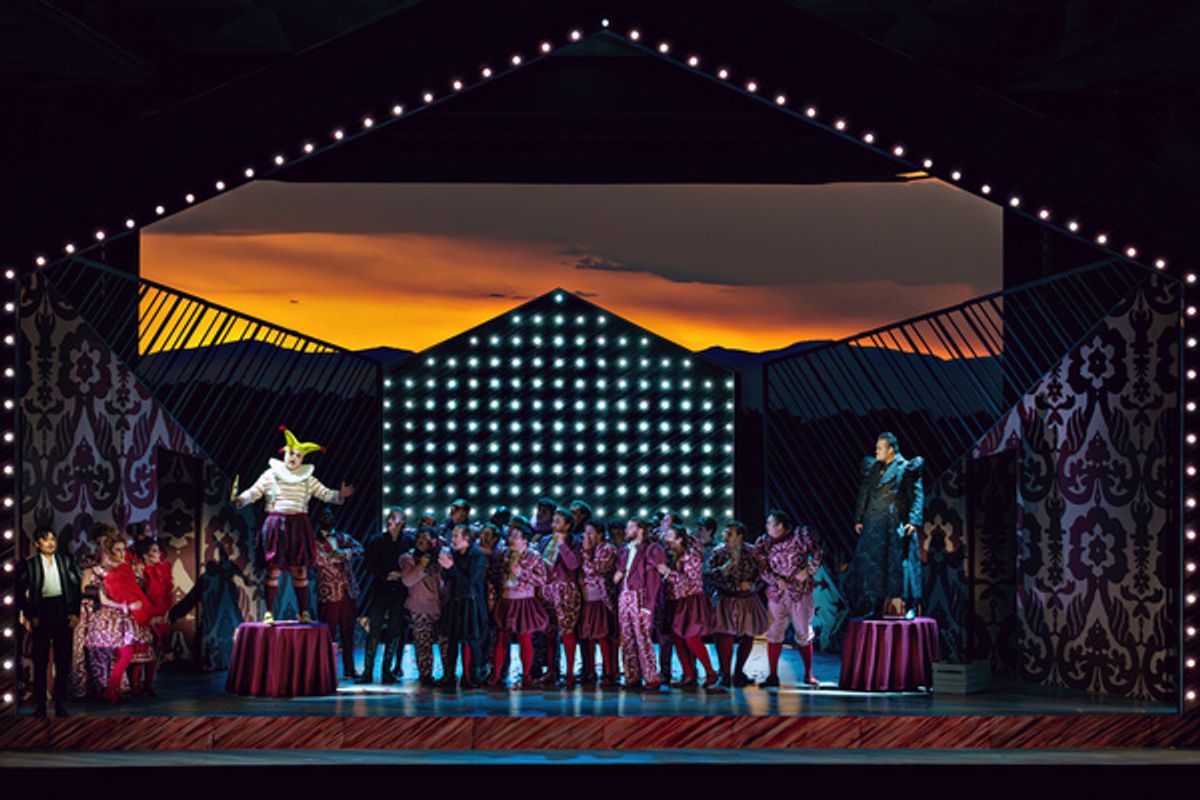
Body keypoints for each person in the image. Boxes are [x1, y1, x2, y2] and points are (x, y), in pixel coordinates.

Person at [235, 426, 355, 623]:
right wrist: (242, 499)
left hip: (299, 525)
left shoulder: (307, 478)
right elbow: (254, 492)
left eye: (298, 455)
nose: (294, 458)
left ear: (302, 459)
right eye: (291, 453)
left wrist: (340, 495)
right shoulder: (270, 474)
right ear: (285, 453)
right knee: (273, 568)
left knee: (300, 568)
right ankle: (269, 612)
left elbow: (325, 493)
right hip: (275, 523)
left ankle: (303, 612)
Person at [850, 432, 926, 618]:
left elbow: (917, 494)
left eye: (880, 448)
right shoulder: (874, 468)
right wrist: (859, 518)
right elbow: (865, 493)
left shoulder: (905, 467)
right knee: (876, 565)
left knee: (901, 565)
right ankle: (876, 606)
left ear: (891, 449)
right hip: (875, 525)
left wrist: (913, 521)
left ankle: (910, 605)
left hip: (895, 523)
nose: (877, 451)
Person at [72, 529, 150, 701]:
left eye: (124, 550)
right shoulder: (94, 571)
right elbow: (94, 596)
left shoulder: (127, 568)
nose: (123, 554)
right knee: (102, 657)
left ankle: (113, 689)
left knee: (126, 653)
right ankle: (106, 690)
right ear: (108, 551)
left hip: (122, 617)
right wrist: (124, 604)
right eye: (118, 550)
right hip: (103, 617)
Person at [17, 527, 81, 717]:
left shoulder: (65, 561)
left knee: (63, 660)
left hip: (63, 610)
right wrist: (31, 615)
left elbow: (76, 588)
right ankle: (41, 705)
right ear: (37, 544)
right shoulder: (30, 565)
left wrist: (75, 613)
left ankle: (60, 703)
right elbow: (20, 593)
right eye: (46, 540)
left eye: (53, 539)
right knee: (41, 660)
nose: (51, 543)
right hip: (42, 611)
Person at [755, 510, 822, 688]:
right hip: (777, 594)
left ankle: (809, 674)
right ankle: (773, 675)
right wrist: (776, 580)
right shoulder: (764, 543)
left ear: (780, 526)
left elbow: (817, 553)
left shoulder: (800, 536)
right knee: (774, 632)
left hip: (799, 592)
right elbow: (761, 567)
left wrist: (807, 571)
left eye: (771, 524)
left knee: (802, 632)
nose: (768, 528)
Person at [658, 525, 722, 691]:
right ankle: (688, 675)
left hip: (691, 600)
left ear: (679, 539)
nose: (666, 538)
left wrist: (668, 573)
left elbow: (690, 582)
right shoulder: (672, 555)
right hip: (676, 600)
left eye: (670, 535)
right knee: (678, 638)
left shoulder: (691, 556)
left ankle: (710, 672)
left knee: (691, 638)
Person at [706, 521, 768, 688]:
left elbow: (762, 574)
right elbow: (711, 576)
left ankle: (739, 672)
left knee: (748, 635)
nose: (725, 537)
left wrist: (752, 585)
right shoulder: (719, 552)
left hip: (747, 599)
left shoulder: (752, 552)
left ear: (740, 536)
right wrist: (730, 576)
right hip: (726, 598)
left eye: (730, 534)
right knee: (723, 635)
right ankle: (724, 674)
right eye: (725, 533)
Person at [488, 520, 548, 689]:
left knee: (524, 638)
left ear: (525, 541)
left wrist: (522, 574)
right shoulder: (504, 554)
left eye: (515, 536)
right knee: (501, 638)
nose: (511, 539)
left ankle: (527, 674)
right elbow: (495, 575)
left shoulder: (533, 556)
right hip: (506, 600)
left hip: (524, 601)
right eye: (511, 535)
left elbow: (542, 580)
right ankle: (496, 674)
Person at [612, 518, 666, 692]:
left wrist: (648, 605)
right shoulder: (624, 550)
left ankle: (651, 678)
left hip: (640, 596)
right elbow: (620, 573)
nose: (626, 530)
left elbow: (653, 579)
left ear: (640, 529)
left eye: (630, 527)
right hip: (624, 595)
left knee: (643, 637)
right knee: (627, 638)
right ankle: (631, 676)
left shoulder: (652, 549)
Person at [312, 507, 363, 680]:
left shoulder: (344, 537)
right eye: (323, 515)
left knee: (349, 632)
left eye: (330, 515)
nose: (327, 517)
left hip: (348, 591)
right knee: (328, 634)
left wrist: (345, 552)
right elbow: (321, 559)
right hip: (328, 592)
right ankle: (326, 670)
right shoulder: (314, 540)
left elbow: (360, 548)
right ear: (319, 519)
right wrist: (341, 555)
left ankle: (350, 669)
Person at [361, 509, 411, 683]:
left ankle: (387, 670)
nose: (390, 520)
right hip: (381, 589)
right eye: (389, 517)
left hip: (399, 592)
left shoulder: (408, 541)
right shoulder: (377, 540)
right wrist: (386, 575)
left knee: (395, 629)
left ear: (403, 521)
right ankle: (367, 671)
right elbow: (369, 563)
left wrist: (402, 575)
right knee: (374, 629)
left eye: (394, 518)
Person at [437, 524, 488, 689]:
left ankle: (475, 676)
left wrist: (451, 567)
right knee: (451, 639)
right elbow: (448, 576)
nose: (453, 540)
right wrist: (446, 567)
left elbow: (470, 584)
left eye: (456, 536)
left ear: (466, 538)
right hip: (455, 601)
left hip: (471, 603)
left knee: (472, 640)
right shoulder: (454, 554)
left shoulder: (477, 556)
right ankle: (449, 675)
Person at [539, 507, 581, 687]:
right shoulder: (545, 540)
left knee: (567, 633)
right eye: (553, 521)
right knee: (549, 633)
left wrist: (562, 544)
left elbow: (573, 565)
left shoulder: (574, 541)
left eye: (558, 522)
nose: (554, 525)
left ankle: (570, 673)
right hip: (547, 591)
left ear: (568, 525)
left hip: (566, 592)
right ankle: (551, 671)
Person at [398, 527, 445, 686]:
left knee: (445, 643)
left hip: (442, 608)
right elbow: (407, 581)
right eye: (418, 538)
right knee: (423, 644)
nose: (420, 541)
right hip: (420, 607)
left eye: (425, 538)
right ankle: (425, 675)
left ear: (433, 540)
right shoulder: (408, 558)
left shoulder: (442, 557)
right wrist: (422, 565)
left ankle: (448, 675)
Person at [579, 519, 618, 689]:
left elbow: (595, 569)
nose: (586, 537)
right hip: (587, 598)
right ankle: (589, 670)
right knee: (587, 636)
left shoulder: (607, 549)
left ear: (600, 534)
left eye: (590, 533)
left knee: (603, 637)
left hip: (602, 599)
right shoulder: (586, 550)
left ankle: (609, 672)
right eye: (585, 533)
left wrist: (587, 552)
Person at [132, 538, 174, 696]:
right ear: (145, 555)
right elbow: (137, 596)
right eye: (155, 551)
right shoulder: (138, 571)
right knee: (141, 651)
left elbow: (165, 595)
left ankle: (148, 684)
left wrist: (164, 613)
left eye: (158, 550)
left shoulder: (160, 571)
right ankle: (135, 684)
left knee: (154, 651)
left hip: (158, 614)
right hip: (143, 615)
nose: (159, 554)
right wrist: (149, 617)